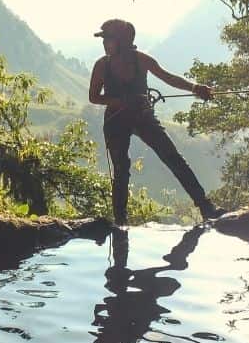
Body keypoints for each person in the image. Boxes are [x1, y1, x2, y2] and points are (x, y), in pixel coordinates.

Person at [88, 18, 226, 225]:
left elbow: (168, 77)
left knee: (173, 157)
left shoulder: (141, 60)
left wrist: (195, 88)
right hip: (116, 121)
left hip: (142, 117)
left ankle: (206, 207)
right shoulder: (102, 65)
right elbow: (94, 97)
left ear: (122, 40)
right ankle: (120, 221)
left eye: (108, 39)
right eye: (105, 39)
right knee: (121, 168)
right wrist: (121, 101)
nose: (104, 43)